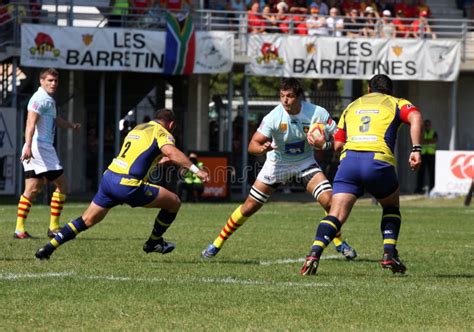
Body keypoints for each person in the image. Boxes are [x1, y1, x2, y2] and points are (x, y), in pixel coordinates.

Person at [201, 78, 357, 261]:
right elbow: (252, 144)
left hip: (305, 163)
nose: (285, 100)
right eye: (282, 96)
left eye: (289, 96)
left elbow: (340, 138)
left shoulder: (317, 113)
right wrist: (262, 148)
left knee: (330, 203)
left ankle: (339, 243)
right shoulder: (273, 117)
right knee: (249, 207)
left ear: (299, 97)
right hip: (277, 164)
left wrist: (325, 144)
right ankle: (217, 243)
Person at [35, 108, 209, 260]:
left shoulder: (139, 127)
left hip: (109, 177)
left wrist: (158, 160)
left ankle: (48, 248)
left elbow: (138, 153)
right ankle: (153, 242)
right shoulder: (163, 132)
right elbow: (171, 151)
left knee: (86, 220)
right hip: (128, 184)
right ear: (171, 125)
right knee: (174, 202)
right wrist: (196, 170)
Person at [300, 74, 423, 276]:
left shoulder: (353, 106)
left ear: (368, 90)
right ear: (390, 91)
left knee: (336, 214)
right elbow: (416, 117)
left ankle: (314, 253)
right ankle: (388, 253)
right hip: (378, 162)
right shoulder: (396, 102)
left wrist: (324, 144)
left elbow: (338, 146)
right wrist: (416, 149)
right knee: (391, 206)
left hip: (349, 163)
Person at [15, 68, 81, 239]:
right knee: (63, 186)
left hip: (35, 148)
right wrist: (28, 146)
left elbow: (54, 120)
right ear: (41, 81)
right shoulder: (39, 99)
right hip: (40, 148)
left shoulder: (47, 100)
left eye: (56, 81)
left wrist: (70, 125)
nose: (53, 84)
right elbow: (30, 123)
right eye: (50, 80)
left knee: (32, 189)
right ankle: (53, 228)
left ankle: (19, 230)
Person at [415, 119, 437, 194]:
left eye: (428, 125)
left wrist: (425, 141)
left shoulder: (433, 132)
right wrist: (427, 141)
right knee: (421, 172)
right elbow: (420, 141)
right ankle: (419, 189)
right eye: (426, 125)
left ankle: (432, 188)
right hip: (423, 155)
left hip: (431, 155)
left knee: (432, 172)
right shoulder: (421, 133)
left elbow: (434, 140)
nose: (427, 126)